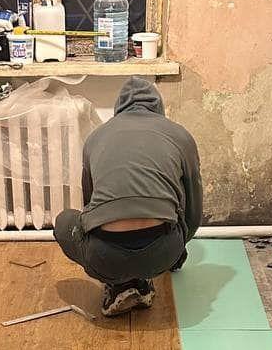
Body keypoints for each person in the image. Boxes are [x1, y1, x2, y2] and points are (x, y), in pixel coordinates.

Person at [54, 76, 202, 317]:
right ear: (159, 108)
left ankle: (118, 283)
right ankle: (140, 279)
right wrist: (176, 252)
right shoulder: (180, 136)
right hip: (163, 253)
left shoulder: (95, 138)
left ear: (118, 109)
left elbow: (89, 207)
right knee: (174, 201)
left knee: (63, 222)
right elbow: (194, 211)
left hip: (105, 257)